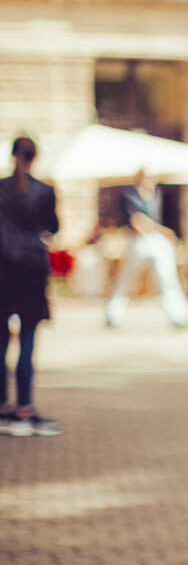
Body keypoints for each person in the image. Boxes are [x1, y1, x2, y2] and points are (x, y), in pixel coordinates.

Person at [0, 136, 63, 437]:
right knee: (27, 340)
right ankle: (25, 406)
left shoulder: (0, 189)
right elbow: (52, 226)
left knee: (0, 343)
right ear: (34, 157)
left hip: (3, 271)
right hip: (31, 271)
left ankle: (3, 407)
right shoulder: (44, 191)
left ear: (13, 156)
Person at [105, 168, 188, 329]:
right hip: (139, 241)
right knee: (127, 278)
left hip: (157, 242)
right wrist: (162, 230)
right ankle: (113, 313)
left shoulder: (158, 194)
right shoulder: (130, 195)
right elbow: (137, 221)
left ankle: (178, 315)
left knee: (167, 278)